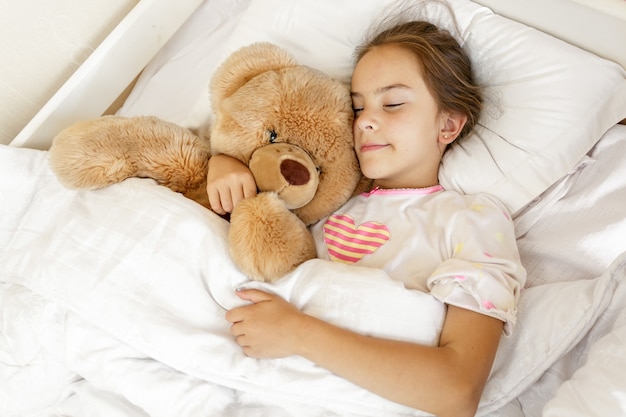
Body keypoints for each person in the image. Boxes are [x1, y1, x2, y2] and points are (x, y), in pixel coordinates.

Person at [207, 15, 525, 417]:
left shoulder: (469, 219)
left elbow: (457, 391)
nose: (366, 121)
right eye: (357, 107)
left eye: (392, 103)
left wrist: (299, 334)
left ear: (447, 124)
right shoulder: (325, 197)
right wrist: (224, 163)